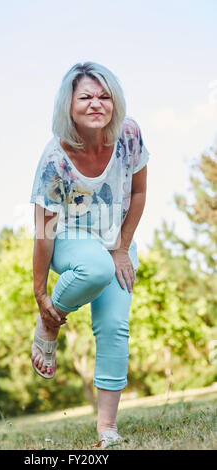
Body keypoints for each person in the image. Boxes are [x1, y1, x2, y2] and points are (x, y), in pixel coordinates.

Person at [29, 61, 149, 448]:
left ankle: (107, 430)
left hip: (115, 242)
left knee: (115, 327)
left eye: (104, 96)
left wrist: (123, 247)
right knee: (95, 268)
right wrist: (41, 295)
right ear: (69, 105)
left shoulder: (129, 136)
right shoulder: (54, 161)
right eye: (86, 97)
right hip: (70, 238)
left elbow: (140, 193)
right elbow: (44, 231)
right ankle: (49, 324)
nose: (97, 103)